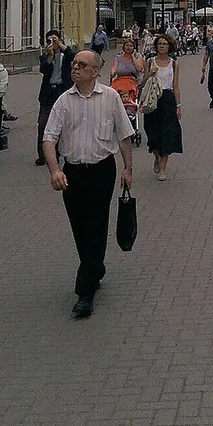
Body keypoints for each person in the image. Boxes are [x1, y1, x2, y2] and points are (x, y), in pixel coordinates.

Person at [42, 50, 134, 319]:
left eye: (82, 65)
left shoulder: (111, 97)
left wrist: (128, 169)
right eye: (74, 64)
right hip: (72, 173)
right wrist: (54, 170)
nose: (75, 68)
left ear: (95, 71)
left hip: (102, 170)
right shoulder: (64, 101)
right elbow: (49, 138)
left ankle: (85, 291)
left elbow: (124, 135)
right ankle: (95, 266)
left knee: (96, 224)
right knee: (80, 227)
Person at [142, 34, 182, 182]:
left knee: (168, 133)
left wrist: (178, 105)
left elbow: (176, 86)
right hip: (153, 99)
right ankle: (156, 155)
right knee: (152, 132)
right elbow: (143, 82)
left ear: (169, 46)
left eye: (164, 44)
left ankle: (163, 169)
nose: (162, 46)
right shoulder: (150, 61)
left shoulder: (174, 64)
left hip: (167, 100)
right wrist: (149, 74)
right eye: (159, 44)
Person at [35, 31, 75, 167]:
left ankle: (59, 152)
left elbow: (73, 56)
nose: (52, 44)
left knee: (64, 124)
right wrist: (50, 55)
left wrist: (61, 45)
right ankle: (43, 155)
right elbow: (44, 69)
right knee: (43, 124)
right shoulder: (45, 56)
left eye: (54, 40)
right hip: (48, 93)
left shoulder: (66, 55)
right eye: (49, 41)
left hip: (62, 90)